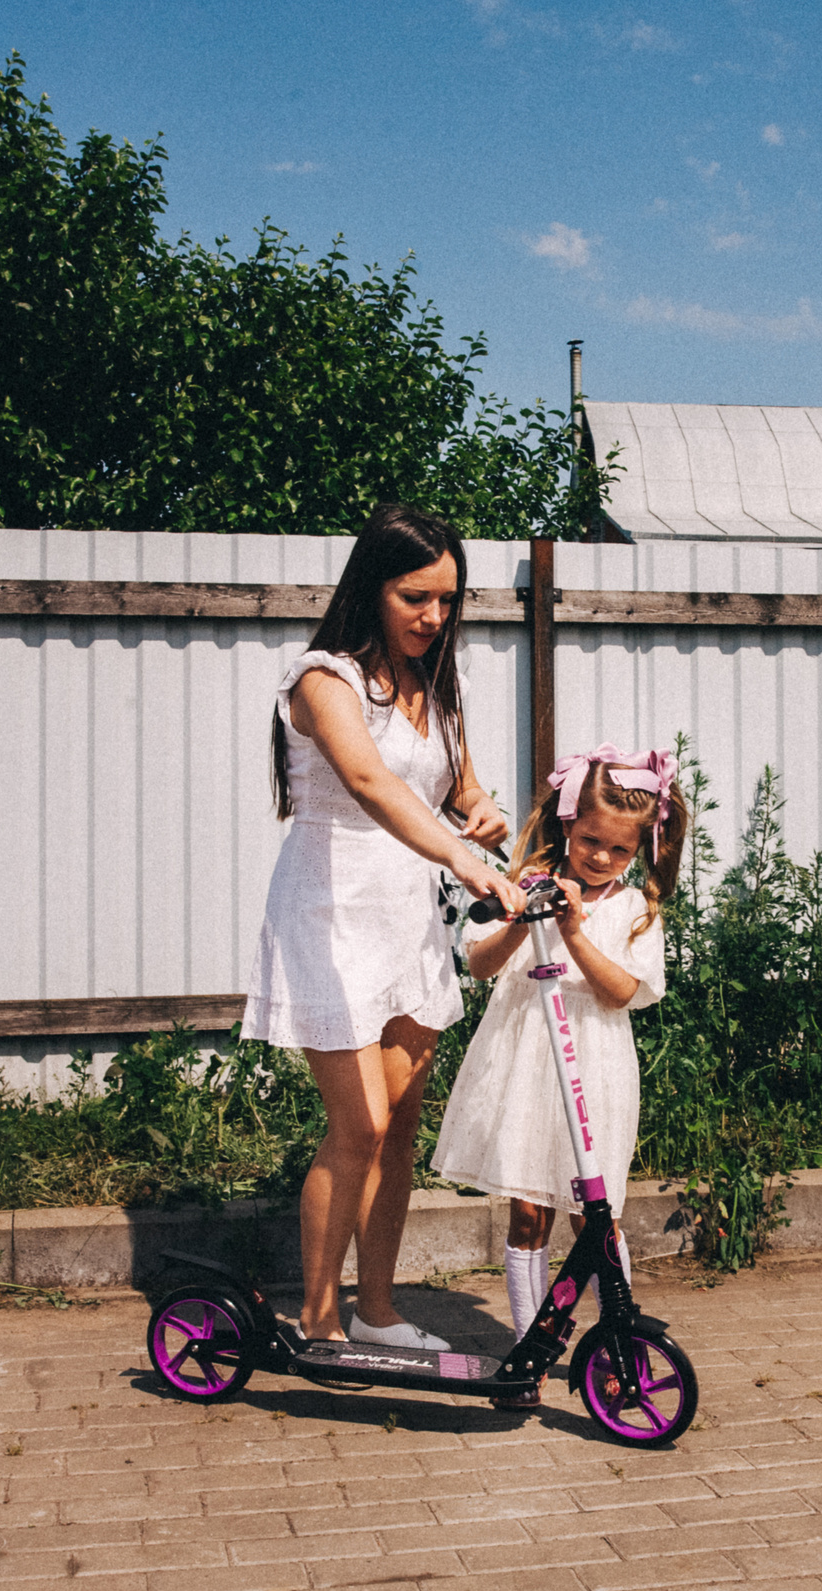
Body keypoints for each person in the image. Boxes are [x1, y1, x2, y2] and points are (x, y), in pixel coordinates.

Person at [242, 504, 524, 1353]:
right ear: (372, 587)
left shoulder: (443, 684)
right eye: (416, 598)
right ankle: (319, 1319)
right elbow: (369, 783)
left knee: (400, 1120)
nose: (434, 617)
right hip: (331, 912)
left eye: (447, 599)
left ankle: (379, 1309)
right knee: (358, 1122)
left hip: (408, 912)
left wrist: (485, 818)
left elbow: (464, 792)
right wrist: (468, 862)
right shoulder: (321, 680)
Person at [431, 747, 686, 1339]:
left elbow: (621, 991)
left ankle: (620, 1338)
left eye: (620, 849)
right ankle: (531, 1344)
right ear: (569, 823)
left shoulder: (633, 907)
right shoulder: (527, 885)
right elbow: (481, 965)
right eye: (592, 840)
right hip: (527, 1059)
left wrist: (572, 932)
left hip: (592, 1066)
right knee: (527, 1213)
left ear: (641, 850)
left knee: (594, 1216)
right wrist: (525, 921)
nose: (602, 857)